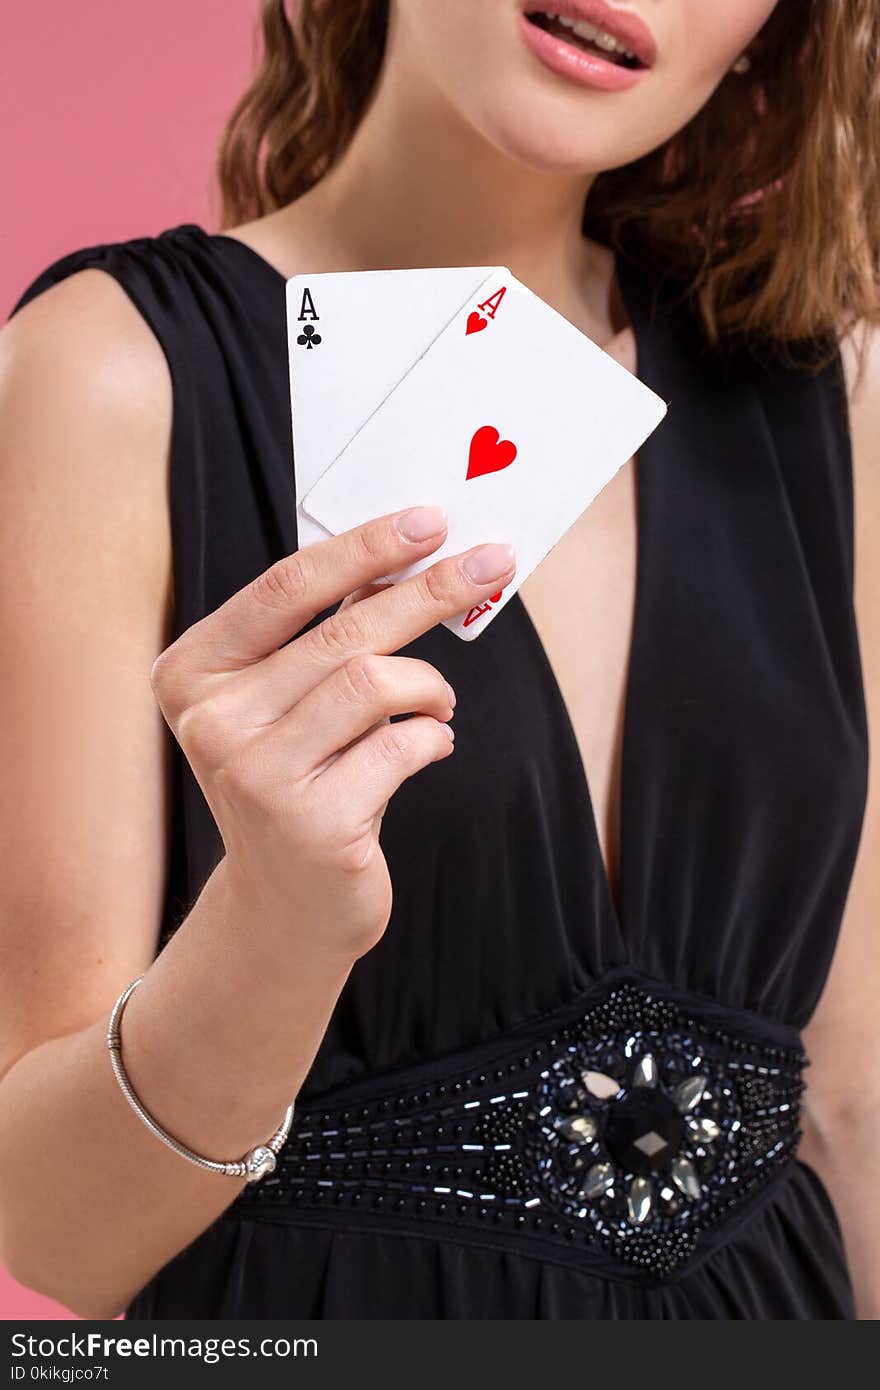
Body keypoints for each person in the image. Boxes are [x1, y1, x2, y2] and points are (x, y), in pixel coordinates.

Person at [0, 0, 877, 1321]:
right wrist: (273, 932)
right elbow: (56, 1233)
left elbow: (853, 1092)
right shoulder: (108, 376)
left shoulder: (830, 389)